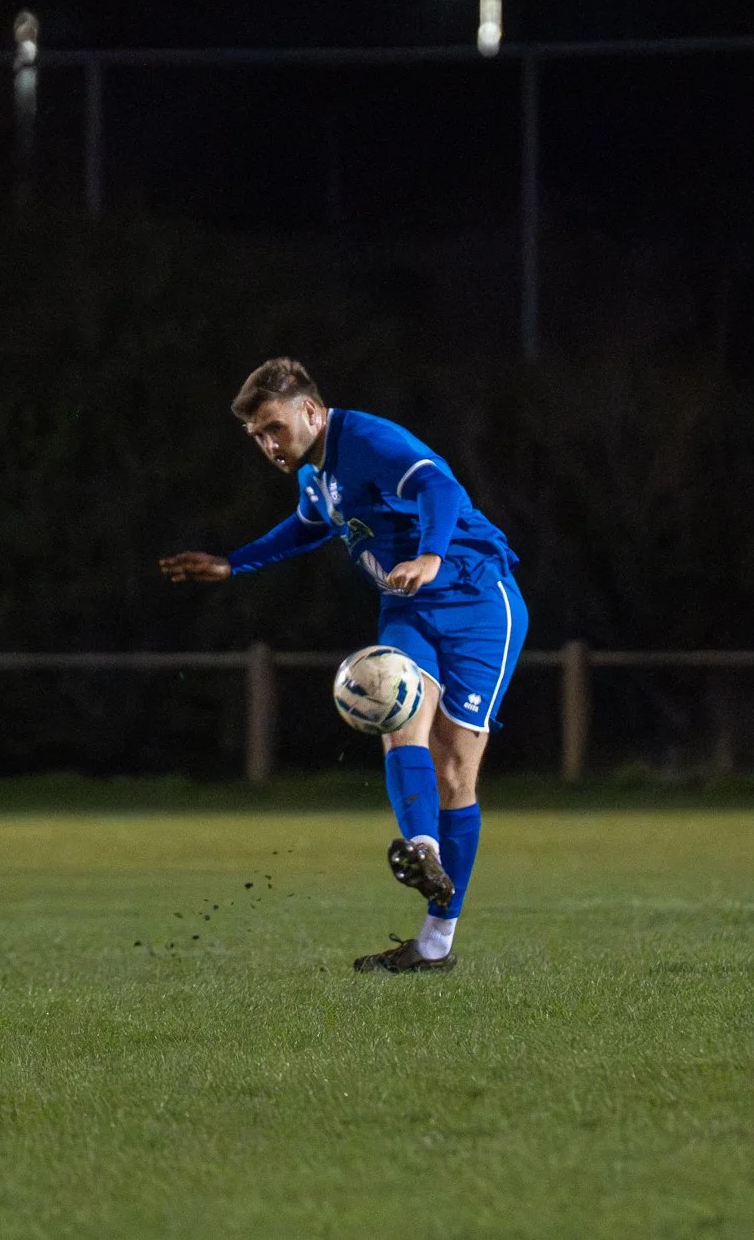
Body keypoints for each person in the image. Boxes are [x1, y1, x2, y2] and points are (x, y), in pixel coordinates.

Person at [160, 359, 527, 973]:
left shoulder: (368, 439)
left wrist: (433, 556)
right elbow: (308, 527)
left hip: (475, 597)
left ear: (311, 410)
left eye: (274, 428)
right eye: (258, 438)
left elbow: (439, 487)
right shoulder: (317, 475)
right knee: (396, 717)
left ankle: (436, 940)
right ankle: (423, 849)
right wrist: (233, 563)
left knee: (456, 769)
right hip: (406, 607)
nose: (269, 445)